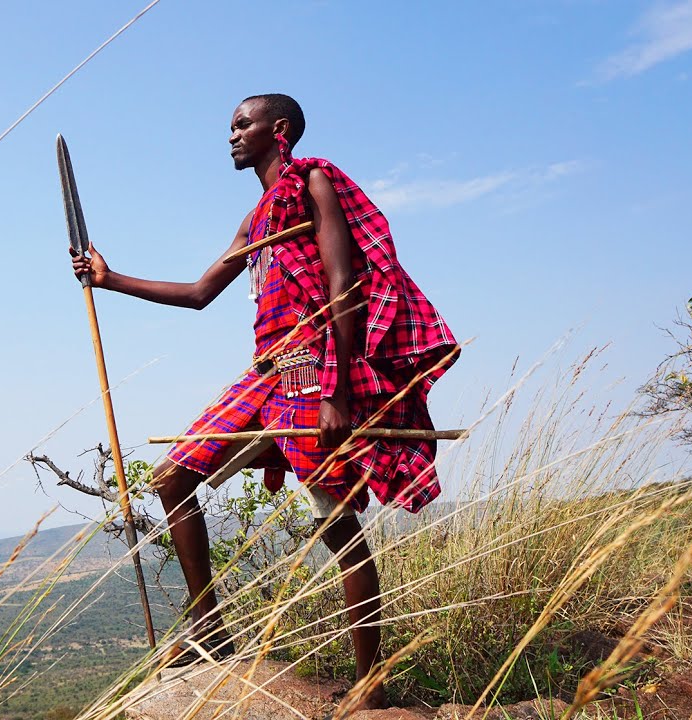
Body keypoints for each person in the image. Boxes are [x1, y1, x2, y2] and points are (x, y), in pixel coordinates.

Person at [71, 93, 457, 710]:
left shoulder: (313, 183)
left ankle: (370, 682)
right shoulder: (256, 221)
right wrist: (109, 279)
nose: (231, 136)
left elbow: (343, 283)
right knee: (173, 475)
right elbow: (200, 293)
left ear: (277, 130)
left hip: (316, 371)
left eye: (241, 125)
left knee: (336, 520)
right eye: (229, 127)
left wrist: (336, 389)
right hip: (267, 374)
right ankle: (210, 632)